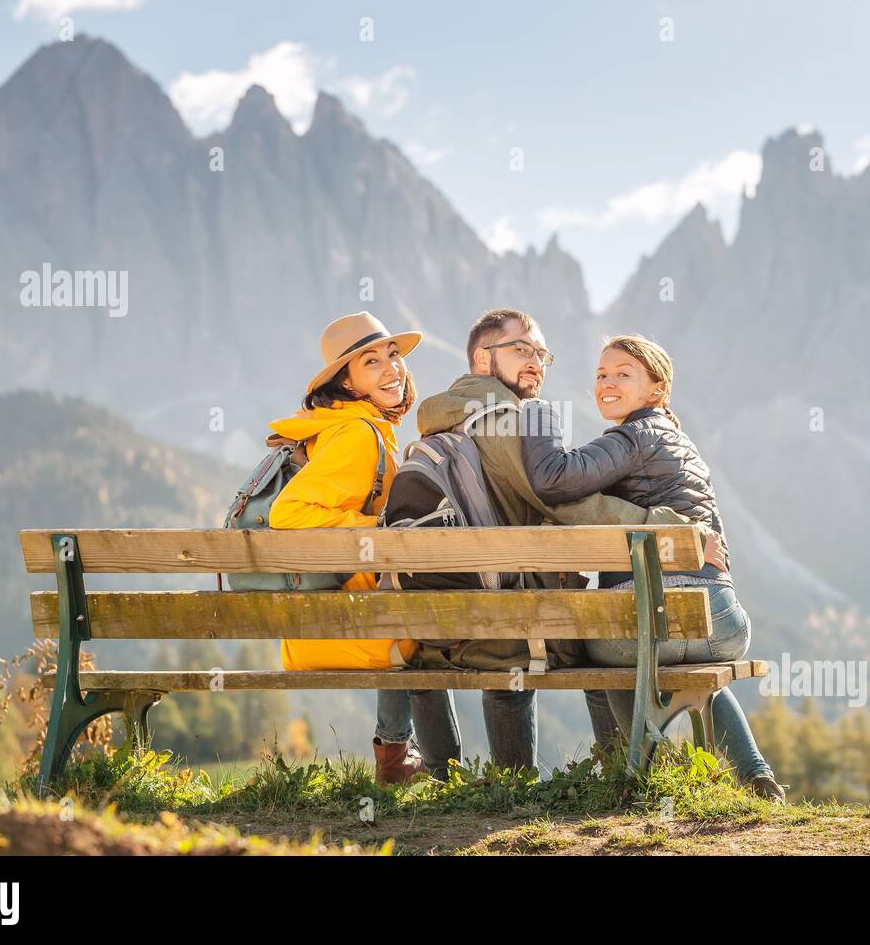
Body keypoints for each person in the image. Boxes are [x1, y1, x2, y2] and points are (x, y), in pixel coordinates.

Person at [415, 309, 696, 772]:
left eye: (541, 353)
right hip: (506, 617)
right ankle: (621, 775)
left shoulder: (440, 418)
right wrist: (663, 525)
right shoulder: (503, 420)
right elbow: (564, 503)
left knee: (508, 637)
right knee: (601, 638)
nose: (536, 362)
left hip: (441, 611)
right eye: (522, 349)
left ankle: (489, 781)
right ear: (483, 359)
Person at [518, 334, 787, 802]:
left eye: (623, 373)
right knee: (697, 668)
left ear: (656, 389)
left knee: (613, 650)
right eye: (601, 374)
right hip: (718, 623)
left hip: (638, 631)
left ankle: (639, 771)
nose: (607, 382)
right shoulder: (680, 443)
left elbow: (554, 477)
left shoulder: (632, 437)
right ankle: (754, 774)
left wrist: (537, 413)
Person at [267, 311, 460, 783]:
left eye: (392, 355)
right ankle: (434, 769)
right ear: (348, 383)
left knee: (417, 614)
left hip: (334, 611)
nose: (391, 367)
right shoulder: (356, 435)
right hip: (342, 621)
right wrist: (378, 526)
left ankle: (404, 760)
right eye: (371, 362)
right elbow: (287, 514)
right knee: (432, 623)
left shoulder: (353, 426)